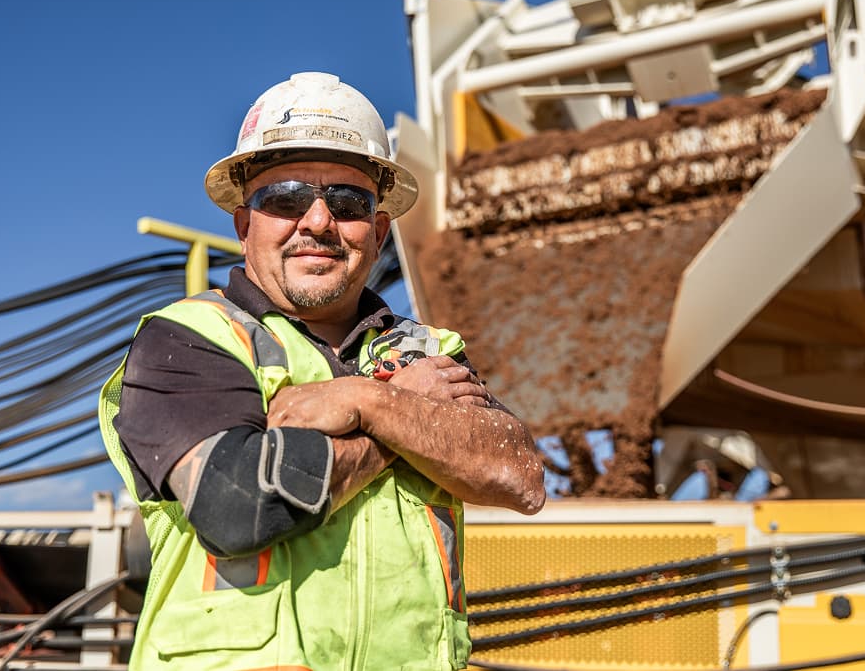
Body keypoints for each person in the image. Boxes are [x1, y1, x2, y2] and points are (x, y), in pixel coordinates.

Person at [98, 71, 546, 671]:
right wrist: (405, 416)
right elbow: (237, 506)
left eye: (347, 203)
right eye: (285, 198)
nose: (316, 222)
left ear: (378, 230)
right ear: (244, 224)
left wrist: (373, 402)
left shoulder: (425, 348)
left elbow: (518, 474)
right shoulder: (191, 338)